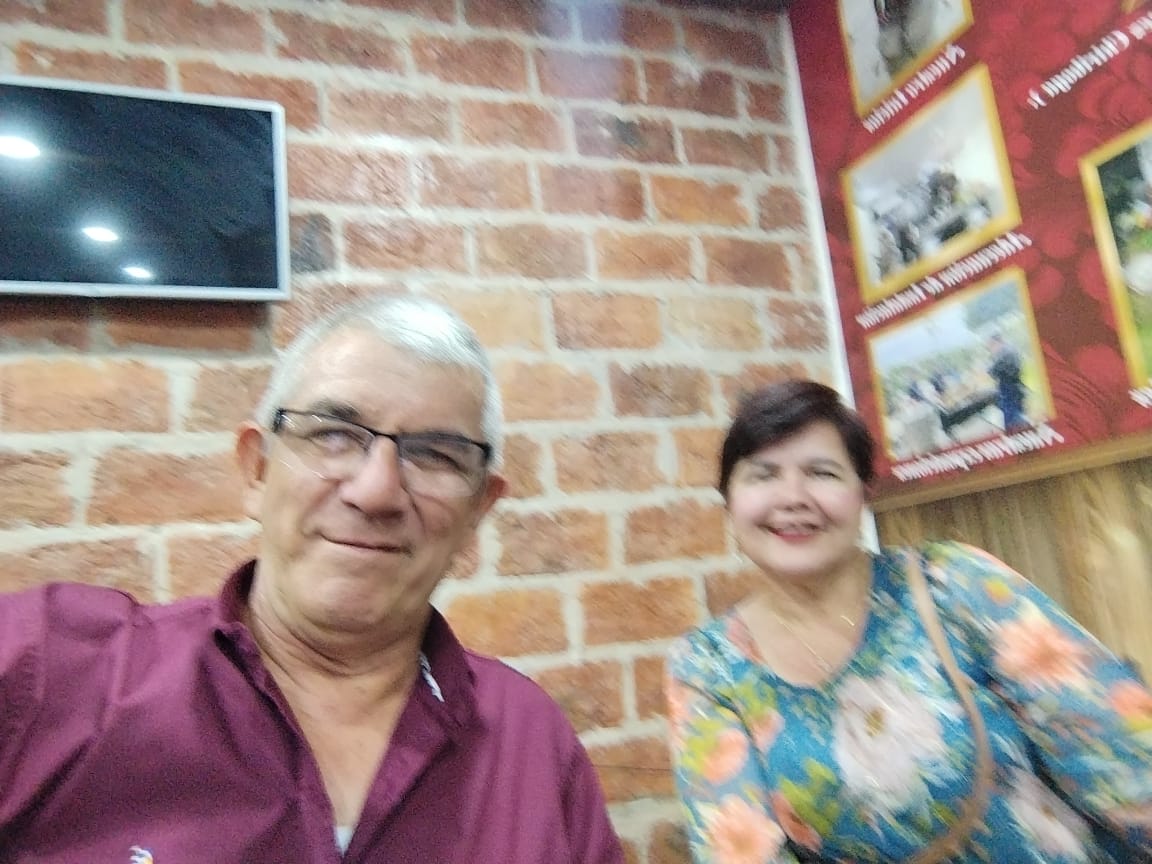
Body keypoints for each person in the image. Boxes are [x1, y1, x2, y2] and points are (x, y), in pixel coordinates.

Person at [0, 296, 625, 864]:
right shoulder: (53, 671)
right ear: (256, 470)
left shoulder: (529, 741)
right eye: (333, 435)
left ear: (477, 512)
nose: (376, 491)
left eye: (435, 455)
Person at [665, 380, 1152, 863]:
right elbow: (738, 851)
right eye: (763, 475)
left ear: (863, 493)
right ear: (728, 501)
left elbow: (1122, 759)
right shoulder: (708, 666)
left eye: (822, 472)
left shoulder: (953, 584)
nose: (792, 497)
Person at [987, 331, 1030, 432]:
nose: (991, 348)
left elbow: (992, 371)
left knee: (1011, 416)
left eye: (991, 345)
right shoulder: (1012, 349)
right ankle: (1025, 429)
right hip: (1017, 384)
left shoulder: (1002, 352)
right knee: (1017, 411)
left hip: (1008, 387)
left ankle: (1025, 427)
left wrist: (991, 367)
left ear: (996, 342)